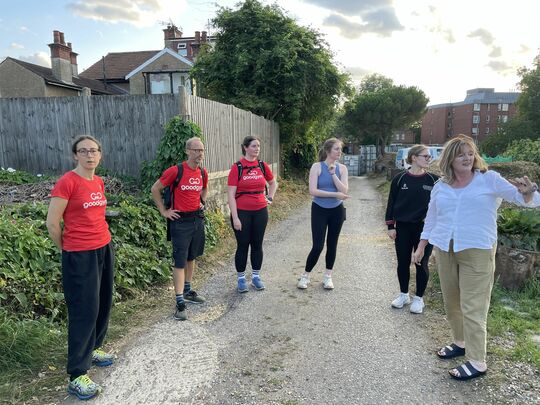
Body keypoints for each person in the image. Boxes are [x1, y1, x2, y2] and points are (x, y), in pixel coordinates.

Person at [413, 134, 539, 381]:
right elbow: (432, 219)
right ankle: (460, 342)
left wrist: (528, 193)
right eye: (461, 154)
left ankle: (477, 361)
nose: (467, 158)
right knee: (452, 302)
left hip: (477, 250)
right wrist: (421, 246)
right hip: (445, 249)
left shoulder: (489, 180)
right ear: (450, 158)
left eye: (470, 153)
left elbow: (523, 199)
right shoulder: (441, 186)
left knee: (473, 306)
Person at [46, 135, 115, 400]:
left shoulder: (97, 181)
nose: (89, 155)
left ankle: (94, 348)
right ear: (75, 155)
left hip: (103, 247)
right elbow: (53, 223)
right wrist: (67, 249)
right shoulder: (67, 182)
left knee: (102, 302)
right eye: (83, 151)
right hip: (79, 254)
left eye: (94, 150)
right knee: (83, 310)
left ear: (100, 155)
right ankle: (77, 374)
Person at [151, 137, 208, 321]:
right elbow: (155, 189)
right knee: (179, 261)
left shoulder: (202, 172)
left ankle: (188, 290)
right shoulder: (176, 171)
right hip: (180, 222)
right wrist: (164, 211)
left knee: (192, 257)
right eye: (196, 150)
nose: (199, 154)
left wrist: (202, 202)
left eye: (202, 150)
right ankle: (179, 300)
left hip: (196, 220)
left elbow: (204, 189)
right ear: (187, 151)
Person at [385, 145, 439, 314]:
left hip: (425, 229)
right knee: (402, 262)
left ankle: (419, 299)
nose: (428, 159)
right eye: (425, 156)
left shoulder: (434, 180)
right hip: (403, 227)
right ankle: (403, 295)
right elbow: (391, 203)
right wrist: (390, 226)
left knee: (421, 262)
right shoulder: (400, 179)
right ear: (414, 157)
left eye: (429, 157)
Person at [227, 135, 278, 292]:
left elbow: (273, 182)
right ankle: (241, 279)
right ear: (245, 148)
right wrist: (235, 217)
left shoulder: (262, 165)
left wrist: (270, 197)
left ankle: (256, 277)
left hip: (260, 212)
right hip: (242, 213)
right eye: (254, 146)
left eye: (258, 146)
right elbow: (230, 195)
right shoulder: (237, 167)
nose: (257, 149)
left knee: (257, 245)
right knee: (242, 246)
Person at [297, 138, 348, 290]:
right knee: (318, 245)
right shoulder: (316, 167)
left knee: (332, 244)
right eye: (336, 149)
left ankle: (327, 277)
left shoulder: (342, 169)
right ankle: (305, 276)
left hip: (337, 211)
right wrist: (334, 195)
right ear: (328, 151)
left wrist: (333, 174)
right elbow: (313, 191)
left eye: (340, 149)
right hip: (319, 209)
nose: (340, 152)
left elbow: (344, 190)